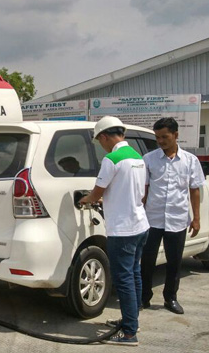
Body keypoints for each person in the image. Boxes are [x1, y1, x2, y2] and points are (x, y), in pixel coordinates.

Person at [79, 116, 149, 347]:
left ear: (105, 136)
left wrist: (84, 200)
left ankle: (129, 333)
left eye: (100, 140)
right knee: (134, 273)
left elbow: (97, 193)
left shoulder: (112, 159)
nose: (101, 145)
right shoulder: (138, 157)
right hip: (140, 225)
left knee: (124, 279)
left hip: (123, 230)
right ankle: (132, 321)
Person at [141, 117, 204, 315]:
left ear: (176, 135)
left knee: (174, 262)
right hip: (152, 219)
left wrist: (196, 218)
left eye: (165, 137)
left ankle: (171, 298)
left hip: (177, 219)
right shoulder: (149, 159)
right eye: (158, 137)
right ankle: (144, 298)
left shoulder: (190, 161)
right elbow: (144, 189)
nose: (160, 141)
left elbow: (194, 190)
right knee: (147, 261)